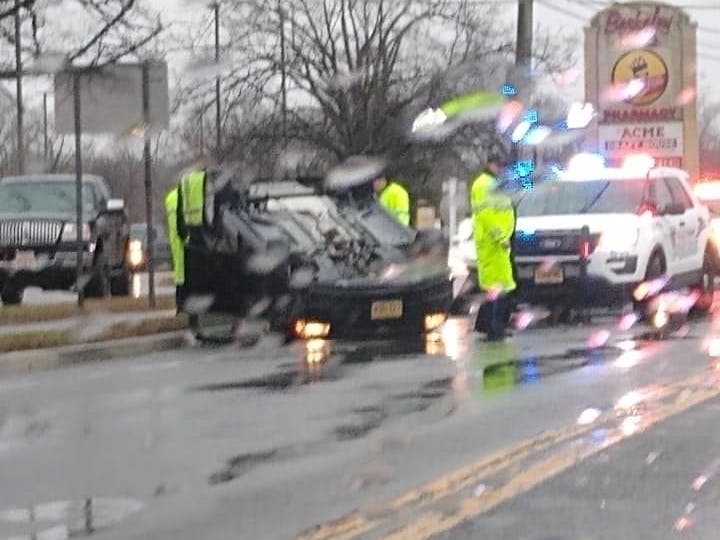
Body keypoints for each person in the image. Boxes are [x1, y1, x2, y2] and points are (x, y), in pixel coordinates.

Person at [471, 154, 517, 341]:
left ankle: (491, 325)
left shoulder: (494, 183)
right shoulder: (483, 184)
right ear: (490, 164)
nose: (501, 169)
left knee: (501, 285)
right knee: (495, 287)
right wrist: (500, 236)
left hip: (499, 243)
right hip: (493, 243)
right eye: (499, 165)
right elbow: (486, 215)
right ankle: (494, 327)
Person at [164, 187, 185, 313]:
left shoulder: (170, 197)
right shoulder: (186, 198)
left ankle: (180, 308)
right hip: (185, 242)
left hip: (175, 243)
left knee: (179, 278)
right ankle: (183, 309)